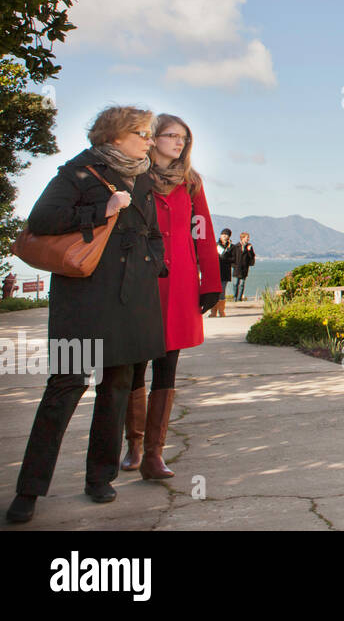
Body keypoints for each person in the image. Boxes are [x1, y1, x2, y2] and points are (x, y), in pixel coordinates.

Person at [6, 106, 166, 524]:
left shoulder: (144, 176)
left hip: (132, 298)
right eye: (143, 133)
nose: (150, 140)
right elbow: (42, 221)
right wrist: (103, 210)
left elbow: (152, 231)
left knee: (116, 390)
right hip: (83, 299)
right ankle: (29, 489)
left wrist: (155, 261)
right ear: (115, 136)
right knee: (65, 388)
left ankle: (100, 478)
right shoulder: (77, 172)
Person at [121, 114, 221, 480]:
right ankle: (132, 444)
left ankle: (154, 455)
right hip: (138, 282)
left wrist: (210, 280)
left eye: (184, 137)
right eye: (171, 135)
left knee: (167, 363)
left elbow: (203, 231)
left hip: (178, 283)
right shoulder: (134, 176)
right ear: (154, 138)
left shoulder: (191, 182)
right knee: (134, 364)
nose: (179, 143)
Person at [212, 228, 233, 318]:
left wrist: (228, 250)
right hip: (215, 271)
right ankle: (213, 311)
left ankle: (221, 311)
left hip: (225, 272)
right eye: (223, 234)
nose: (224, 236)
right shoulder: (216, 245)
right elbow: (220, 256)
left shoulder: (232, 247)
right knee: (214, 291)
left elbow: (233, 259)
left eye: (226, 235)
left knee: (222, 292)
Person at [231, 232, 255, 301]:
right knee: (235, 283)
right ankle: (235, 297)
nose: (248, 239)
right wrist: (234, 265)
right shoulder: (236, 246)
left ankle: (239, 298)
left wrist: (249, 250)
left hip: (244, 268)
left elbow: (252, 257)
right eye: (247, 237)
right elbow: (233, 257)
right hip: (236, 268)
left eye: (248, 238)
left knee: (242, 284)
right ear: (242, 238)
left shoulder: (249, 246)